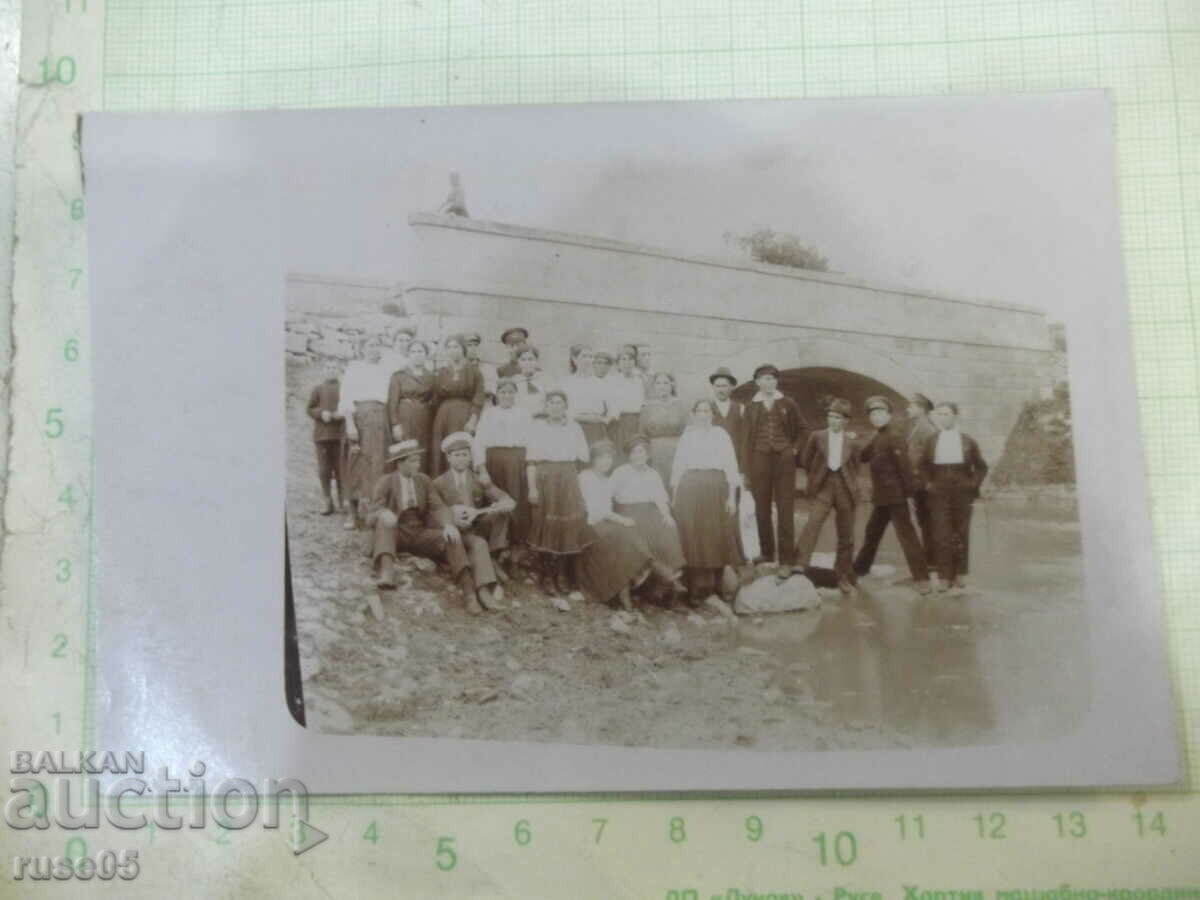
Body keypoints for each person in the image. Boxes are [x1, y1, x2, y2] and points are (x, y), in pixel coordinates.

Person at [370, 441, 500, 615]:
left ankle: (469, 593)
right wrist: (383, 513)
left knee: (452, 537)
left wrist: (448, 524)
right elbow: (371, 512)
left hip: (419, 531)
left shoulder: (423, 480)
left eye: (418, 460)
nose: (418, 464)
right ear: (400, 463)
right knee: (385, 522)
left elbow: (438, 506)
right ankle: (387, 572)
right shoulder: (386, 481)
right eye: (413, 461)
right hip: (397, 531)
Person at [852, 396, 931, 594]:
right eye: (873, 414)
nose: (876, 417)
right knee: (872, 533)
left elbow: (904, 468)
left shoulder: (894, 436)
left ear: (888, 415)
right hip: (881, 498)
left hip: (896, 496)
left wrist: (910, 495)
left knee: (907, 536)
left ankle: (922, 579)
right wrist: (849, 441)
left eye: (880, 413)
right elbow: (863, 456)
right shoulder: (878, 436)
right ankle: (859, 570)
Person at [671, 399, 742, 605]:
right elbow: (678, 465)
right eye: (699, 410)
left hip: (716, 487)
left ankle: (717, 585)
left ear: (712, 414)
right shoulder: (688, 436)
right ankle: (696, 589)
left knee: (716, 534)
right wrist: (675, 495)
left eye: (707, 411)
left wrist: (731, 497)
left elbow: (731, 465)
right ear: (694, 414)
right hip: (690, 487)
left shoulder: (721, 435)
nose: (703, 414)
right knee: (693, 536)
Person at [525, 390, 595, 602]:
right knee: (548, 525)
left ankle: (562, 574)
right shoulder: (538, 428)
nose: (556, 406)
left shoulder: (574, 427)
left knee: (568, 524)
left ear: (566, 406)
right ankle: (548, 576)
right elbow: (531, 461)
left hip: (568, 476)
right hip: (546, 477)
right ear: (546, 407)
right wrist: (532, 488)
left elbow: (584, 456)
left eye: (560, 403)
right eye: (551, 403)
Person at [740, 364, 808, 570]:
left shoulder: (788, 403)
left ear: (776, 381)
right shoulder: (751, 407)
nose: (769, 383)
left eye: (772, 379)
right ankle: (767, 553)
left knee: (786, 507)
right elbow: (745, 441)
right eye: (764, 379)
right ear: (757, 382)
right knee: (761, 508)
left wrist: (794, 450)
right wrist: (745, 470)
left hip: (784, 460)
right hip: (759, 459)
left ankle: (786, 557)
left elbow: (803, 429)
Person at [917, 401, 989, 593]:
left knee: (961, 532)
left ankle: (961, 574)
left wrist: (973, 485)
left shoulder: (968, 441)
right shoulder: (931, 440)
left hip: (962, 490)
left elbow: (981, 467)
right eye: (939, 414)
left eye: (947, 414)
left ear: (956, 416)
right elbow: (922, 466)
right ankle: (944, 576)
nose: (943, 418)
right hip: (938, 490)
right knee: (941, 533)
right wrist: (928, 484)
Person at [433, 431, 516, 593]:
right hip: (456, 532)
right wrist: (451, 515)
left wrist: (504, 503)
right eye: (456, 455)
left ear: (470, 457)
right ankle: (489, 572)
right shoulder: (438, 483)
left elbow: (504, 498)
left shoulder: (479, 480)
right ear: (448, 458)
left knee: (501, 512)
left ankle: (494, 555)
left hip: (477, 529)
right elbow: (433, 511)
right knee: (473, 542)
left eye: (465, 454)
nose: (461, 458)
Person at [577, 440, 654, 610]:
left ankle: (626, 588)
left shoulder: (608, 479)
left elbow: (619, 498)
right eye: (601, 458)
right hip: (589, 524)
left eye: (609, 458)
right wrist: (620, 519)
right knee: (621, 535)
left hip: (604, 522)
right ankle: (625, 590)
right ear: (593, 459)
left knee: (628, 533)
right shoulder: (585, 477)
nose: (606, 462)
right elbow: (595, 509)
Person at [611, 434, 688, 600]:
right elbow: (608, 496)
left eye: (642, 452)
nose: (638, 456)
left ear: (648, 455)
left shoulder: (653, 474)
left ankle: (666, 583)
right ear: (629, 455)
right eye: (634, 452)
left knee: (668, 530)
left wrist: (667, 515)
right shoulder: (621, 472)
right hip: (628, 512)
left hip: (650, 511)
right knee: (640, 534)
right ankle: (664, 575)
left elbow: (660, 498)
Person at [794, 397, 859, 592]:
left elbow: (855, 466)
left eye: (838, 417)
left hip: (845, 488)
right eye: (830, 416)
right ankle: (800, 563)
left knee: (846, 533)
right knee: (813, 522)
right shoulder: (817, 436)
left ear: (846, 421)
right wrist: (815, 479)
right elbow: (806, 459)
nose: (833, 420)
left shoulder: (853, 442)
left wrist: (849, 483)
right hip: (824, 486)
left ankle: (843, 575)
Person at [472, 377, 534, 563]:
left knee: (517, 499)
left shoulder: (524, 413)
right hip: (494, 460)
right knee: (495, 497)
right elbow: (479, 442)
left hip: (517, 459)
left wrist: (529, 463)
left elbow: (531, 441)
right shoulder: (489, 414)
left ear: (515, 394)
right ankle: (497, 544)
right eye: (503, 392)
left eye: (510, 392)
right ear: (497, 395)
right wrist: (482, 469)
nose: (507, 396)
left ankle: (516, 543)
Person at [339, 342, 391, 528]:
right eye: (369, 345)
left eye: (377, 345)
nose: (373, 349)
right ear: (362, 348)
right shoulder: (354, 369)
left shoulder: (385, 371)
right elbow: (345, 398)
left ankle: (372, 513)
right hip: (360, 418)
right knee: (356, 463)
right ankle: (351, 514)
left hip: (380, 420)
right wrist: (350, 423)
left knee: (377, 465)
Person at [429, 334, 485, 477]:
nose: (452, 350)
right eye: (449, 347)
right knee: (443, 453)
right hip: (443, 417)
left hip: (464, 416)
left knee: (462, 449)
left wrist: (473, 420)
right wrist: (439, 418)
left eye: (456, 346)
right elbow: (435, 398)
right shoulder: (442, 372)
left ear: (463, 349)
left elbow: (478, 398)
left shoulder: (474, 372)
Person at [386, 339, 437, 474]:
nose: (417, 354)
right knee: (406, 451)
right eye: (413, 351)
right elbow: (392, 402)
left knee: (423, 451)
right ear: (408, 354)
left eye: (420, 351)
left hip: (424, 419)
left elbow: (434, 400)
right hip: (405, 417)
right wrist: (395, 424)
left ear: (426, 354)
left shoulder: (431, 377)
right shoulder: (399, 375)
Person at [306, 362, 348, 515]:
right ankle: (327, 501)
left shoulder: (344, 388)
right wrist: (320, 413)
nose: (331, 370)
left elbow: (349, 407)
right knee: (324, 470)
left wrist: (340, 414)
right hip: (322, 436)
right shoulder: (318, 389)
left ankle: (343, 501)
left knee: (341, 470)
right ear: (324, 370)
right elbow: (309, 408)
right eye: (328, 367)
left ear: (339, 370)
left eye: (334, 368)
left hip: (339, 435)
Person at [638, 371, 688, 488]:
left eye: (665, 383)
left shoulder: (681, 405)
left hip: (677, 452)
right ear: (654, 386)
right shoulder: (647, 407)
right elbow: (642, 435)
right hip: (654, 454)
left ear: (672, 385)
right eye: (658, 383)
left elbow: (688, 433)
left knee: (676, 485)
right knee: (657, 485)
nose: (662, 386)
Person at [906, 392, 937, 550]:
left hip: (924, 483)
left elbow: (931, 457)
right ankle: (930, 559)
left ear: (921, 409)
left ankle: (932, 561)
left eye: (911, 406)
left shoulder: (927, 429)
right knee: (924, 520)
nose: (907, 409)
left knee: (927, 521)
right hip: (918, 482)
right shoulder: (918, 426)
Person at [564, 344, 609, 446]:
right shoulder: (566, 383)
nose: (588, 360)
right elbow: (565, 410)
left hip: (597, 428)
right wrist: (582, 418)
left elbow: (611, 407)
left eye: (590, 357)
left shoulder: (600, 383)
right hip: (575, 427)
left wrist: (604, 419)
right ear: (574, 359)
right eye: (584, 356)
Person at [606, 345, 645, 461]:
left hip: (636, 422)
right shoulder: (612, 380)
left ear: (634, 363)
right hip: (619, 424)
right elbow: (611, 405)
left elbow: (642, 403)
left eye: (630, 359)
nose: (627, 363)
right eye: (623, 359)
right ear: (618, 363)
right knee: (621, 455)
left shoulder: (639, 381)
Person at [510, 344, 552, 417]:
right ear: (518, 362)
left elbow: (552, 401)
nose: (527, 363)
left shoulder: (545, 379)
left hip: (541, 419)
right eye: (523, 359)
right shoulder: (514, 381)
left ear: (536, 361)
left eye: (531, 359)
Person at [463, 331, 498, 401]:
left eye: (476, 345)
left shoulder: (489, 369)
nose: (473, 348)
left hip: (485, 403)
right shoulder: (459, 368)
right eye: (469, 345)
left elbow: (493, 391)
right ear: (463, 349)